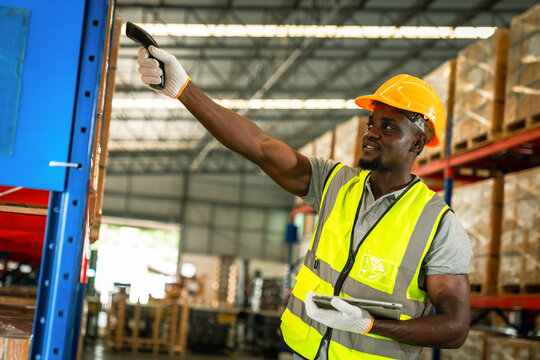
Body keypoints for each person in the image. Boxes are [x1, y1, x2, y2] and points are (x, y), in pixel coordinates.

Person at [137, 46, 472, 360]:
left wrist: (370, 325)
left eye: (388, 127)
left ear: (418, 142)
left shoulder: (438, 225)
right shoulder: (335, 183)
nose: (372, 133)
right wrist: (184, 89)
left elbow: (455, 328)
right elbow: (261, 147)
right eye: (371, 123)